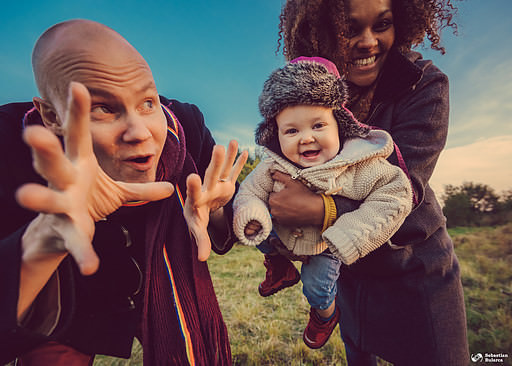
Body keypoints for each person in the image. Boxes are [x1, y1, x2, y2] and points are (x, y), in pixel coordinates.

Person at [0, 19, 247, 365]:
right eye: (103, 108)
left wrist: (218, 211)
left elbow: (222, 227)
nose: (139, 132)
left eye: (147, 102)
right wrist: (45, 240)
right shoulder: (9, 142)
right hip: (66, 306)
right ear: (52, 116)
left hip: (164, 294)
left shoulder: (187, 125)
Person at [266, 0, 470, 365]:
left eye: (382, 24)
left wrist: (321, 210)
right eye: (350, 29)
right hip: (349, 272)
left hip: (414, 271)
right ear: (322, 31)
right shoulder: (312, 92)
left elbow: (405, 187)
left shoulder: (425, 83)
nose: (368, 41)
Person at [232, 56, 412, 350]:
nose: (306, 138)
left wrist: (349, 234)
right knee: (255, 229)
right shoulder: (273, 164)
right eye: (292, 131)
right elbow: (250, 192)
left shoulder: (355, 165)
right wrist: (254, 214)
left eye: (318, 125)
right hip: (282, 236)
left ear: (339, 126)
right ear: (276, 135)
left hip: (325, 245)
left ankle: (324, 315)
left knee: (316, 288)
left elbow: (396, 193)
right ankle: (279, 265)